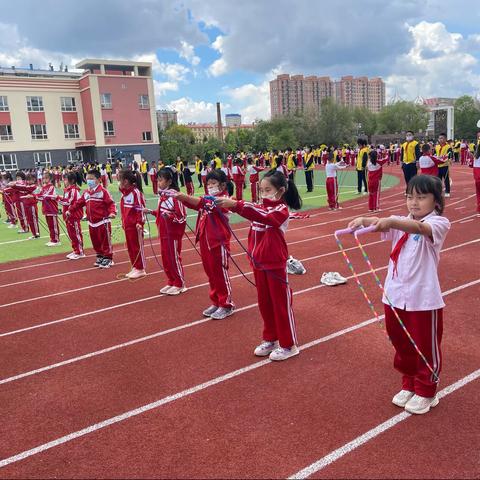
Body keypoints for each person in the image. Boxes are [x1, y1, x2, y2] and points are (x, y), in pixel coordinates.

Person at [348, 175, 450, 415]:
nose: (414, 203)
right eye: (409, 197)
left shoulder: (439, 224)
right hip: (394, 296)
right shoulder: (401, 221)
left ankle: (427, 390)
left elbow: (418, 227)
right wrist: (364, 220)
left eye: (421, 198)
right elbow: (383, 223)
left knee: (425, 346)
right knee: (401, 342)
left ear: (436, 201)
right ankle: (409, 383)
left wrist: (391, 221)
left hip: (423, 299)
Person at [216, 171, 302, 361]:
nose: (264, 194)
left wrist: (236, 204)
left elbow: (265, 216)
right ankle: (270, 338)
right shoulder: (260, 207)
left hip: (274, 263)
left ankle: (289, 344)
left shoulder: (280, 210)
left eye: (268, 190)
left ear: (280, 191)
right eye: (261, 190)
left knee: (280, 304)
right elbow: (256, 211)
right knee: (264, 303)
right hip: (258, 263)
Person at [173, 169, 234, 319]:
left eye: (213, 183)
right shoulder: (208, 199)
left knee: (219, 273)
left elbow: (204, 203)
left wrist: (184, 196)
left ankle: (226, 304)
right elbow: (197, 204)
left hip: (218, 243)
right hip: (205, 242)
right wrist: (181, 199)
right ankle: (216, 301)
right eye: (208, 184)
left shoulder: (224, 199)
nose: (210, 186)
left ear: (222, 185)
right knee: (211, 274)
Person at [146, 167, 187, 295]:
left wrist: (169, 217)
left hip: (173, 234)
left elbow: (182, 216)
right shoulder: (162, 196)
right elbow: (161, 213)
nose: (158, 183)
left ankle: (180, 283)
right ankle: (171, 281)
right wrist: (151, 212)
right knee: (165, 258)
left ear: (169, 182)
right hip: (163, 232)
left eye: (161, 180)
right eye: (157, 180)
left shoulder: (175, 197)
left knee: (173, 258)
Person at [67, 169, 116, 268]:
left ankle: (108, 258)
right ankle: (100, 255)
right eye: (87, 178)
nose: (89, 180)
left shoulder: (103, 192)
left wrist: (112, 212)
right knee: (95, 241)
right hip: (92, 223)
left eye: (91, 179)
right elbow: (79, 203)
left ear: (98, 179)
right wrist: (70, 210)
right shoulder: (86, 193)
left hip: (103, 222)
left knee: (105, 241)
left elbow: (111, 203)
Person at [118, 169, 146, 279]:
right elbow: (124, 210)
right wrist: (122, 221)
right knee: (130, 247)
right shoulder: (124, 194)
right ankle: (135, 267)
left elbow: (141, 209)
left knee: (137, 247)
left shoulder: (136, 193)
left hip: (135, 226)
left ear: (125, 181)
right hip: (127, 226)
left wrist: (140, 223)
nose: (119, 183)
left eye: (120, 180)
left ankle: (141, 268)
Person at [59, 172, 85, 259]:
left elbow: (68, 202)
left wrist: (57, 198)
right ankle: (75, 250)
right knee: (71, 234)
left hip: (74, 216)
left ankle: (80, 252)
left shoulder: (73, 190)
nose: (64, 181)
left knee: (76, 234)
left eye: (65, 179)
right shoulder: (67, 190)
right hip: (68, 216)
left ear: (72, 180)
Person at [36, 171, 61, 246]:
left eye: (46, 178)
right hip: (46, 209)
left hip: (52, 209)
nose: (44, 180)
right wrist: (36, 196)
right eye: (43, 178)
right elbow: (40, 196)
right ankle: (52, 239)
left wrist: (39, 196)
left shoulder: (51, 187)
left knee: (54, 225)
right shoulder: (43, 187)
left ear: (50, 179)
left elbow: (46, 196)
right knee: (50, 225)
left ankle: (56, 240)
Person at [17, 174, 40, 239]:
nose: (28, 181)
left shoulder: (33, 186)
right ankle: (34, 233)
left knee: (34, 220)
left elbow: (24, 188)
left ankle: (36, 234)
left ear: (34, 180)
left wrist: (14, 185)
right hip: (27, 204)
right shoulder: (27, 186)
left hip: (32, 205)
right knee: (30, 220)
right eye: (27, 180)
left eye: (30, 180)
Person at [435, 133, 453, 197]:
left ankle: (447, 191)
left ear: (445, 139)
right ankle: (438, 191)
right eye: (439, 138)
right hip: (438, 165)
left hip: (445, 165)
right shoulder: (437, 147)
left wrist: (450, 159)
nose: (440, 139)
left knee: (446, 179)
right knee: (438, 180)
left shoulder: (448, 147)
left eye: (442, 138)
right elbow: (435, 154)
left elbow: (450, 154)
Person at [470, 130, 480, 215]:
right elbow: (476, 157)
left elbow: (476, 156)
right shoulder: (477, 145)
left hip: (478, 168)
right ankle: (479, 207)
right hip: (477, 167)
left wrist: (471, 154)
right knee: (478, 187)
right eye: (478, 137)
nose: (479, 138)